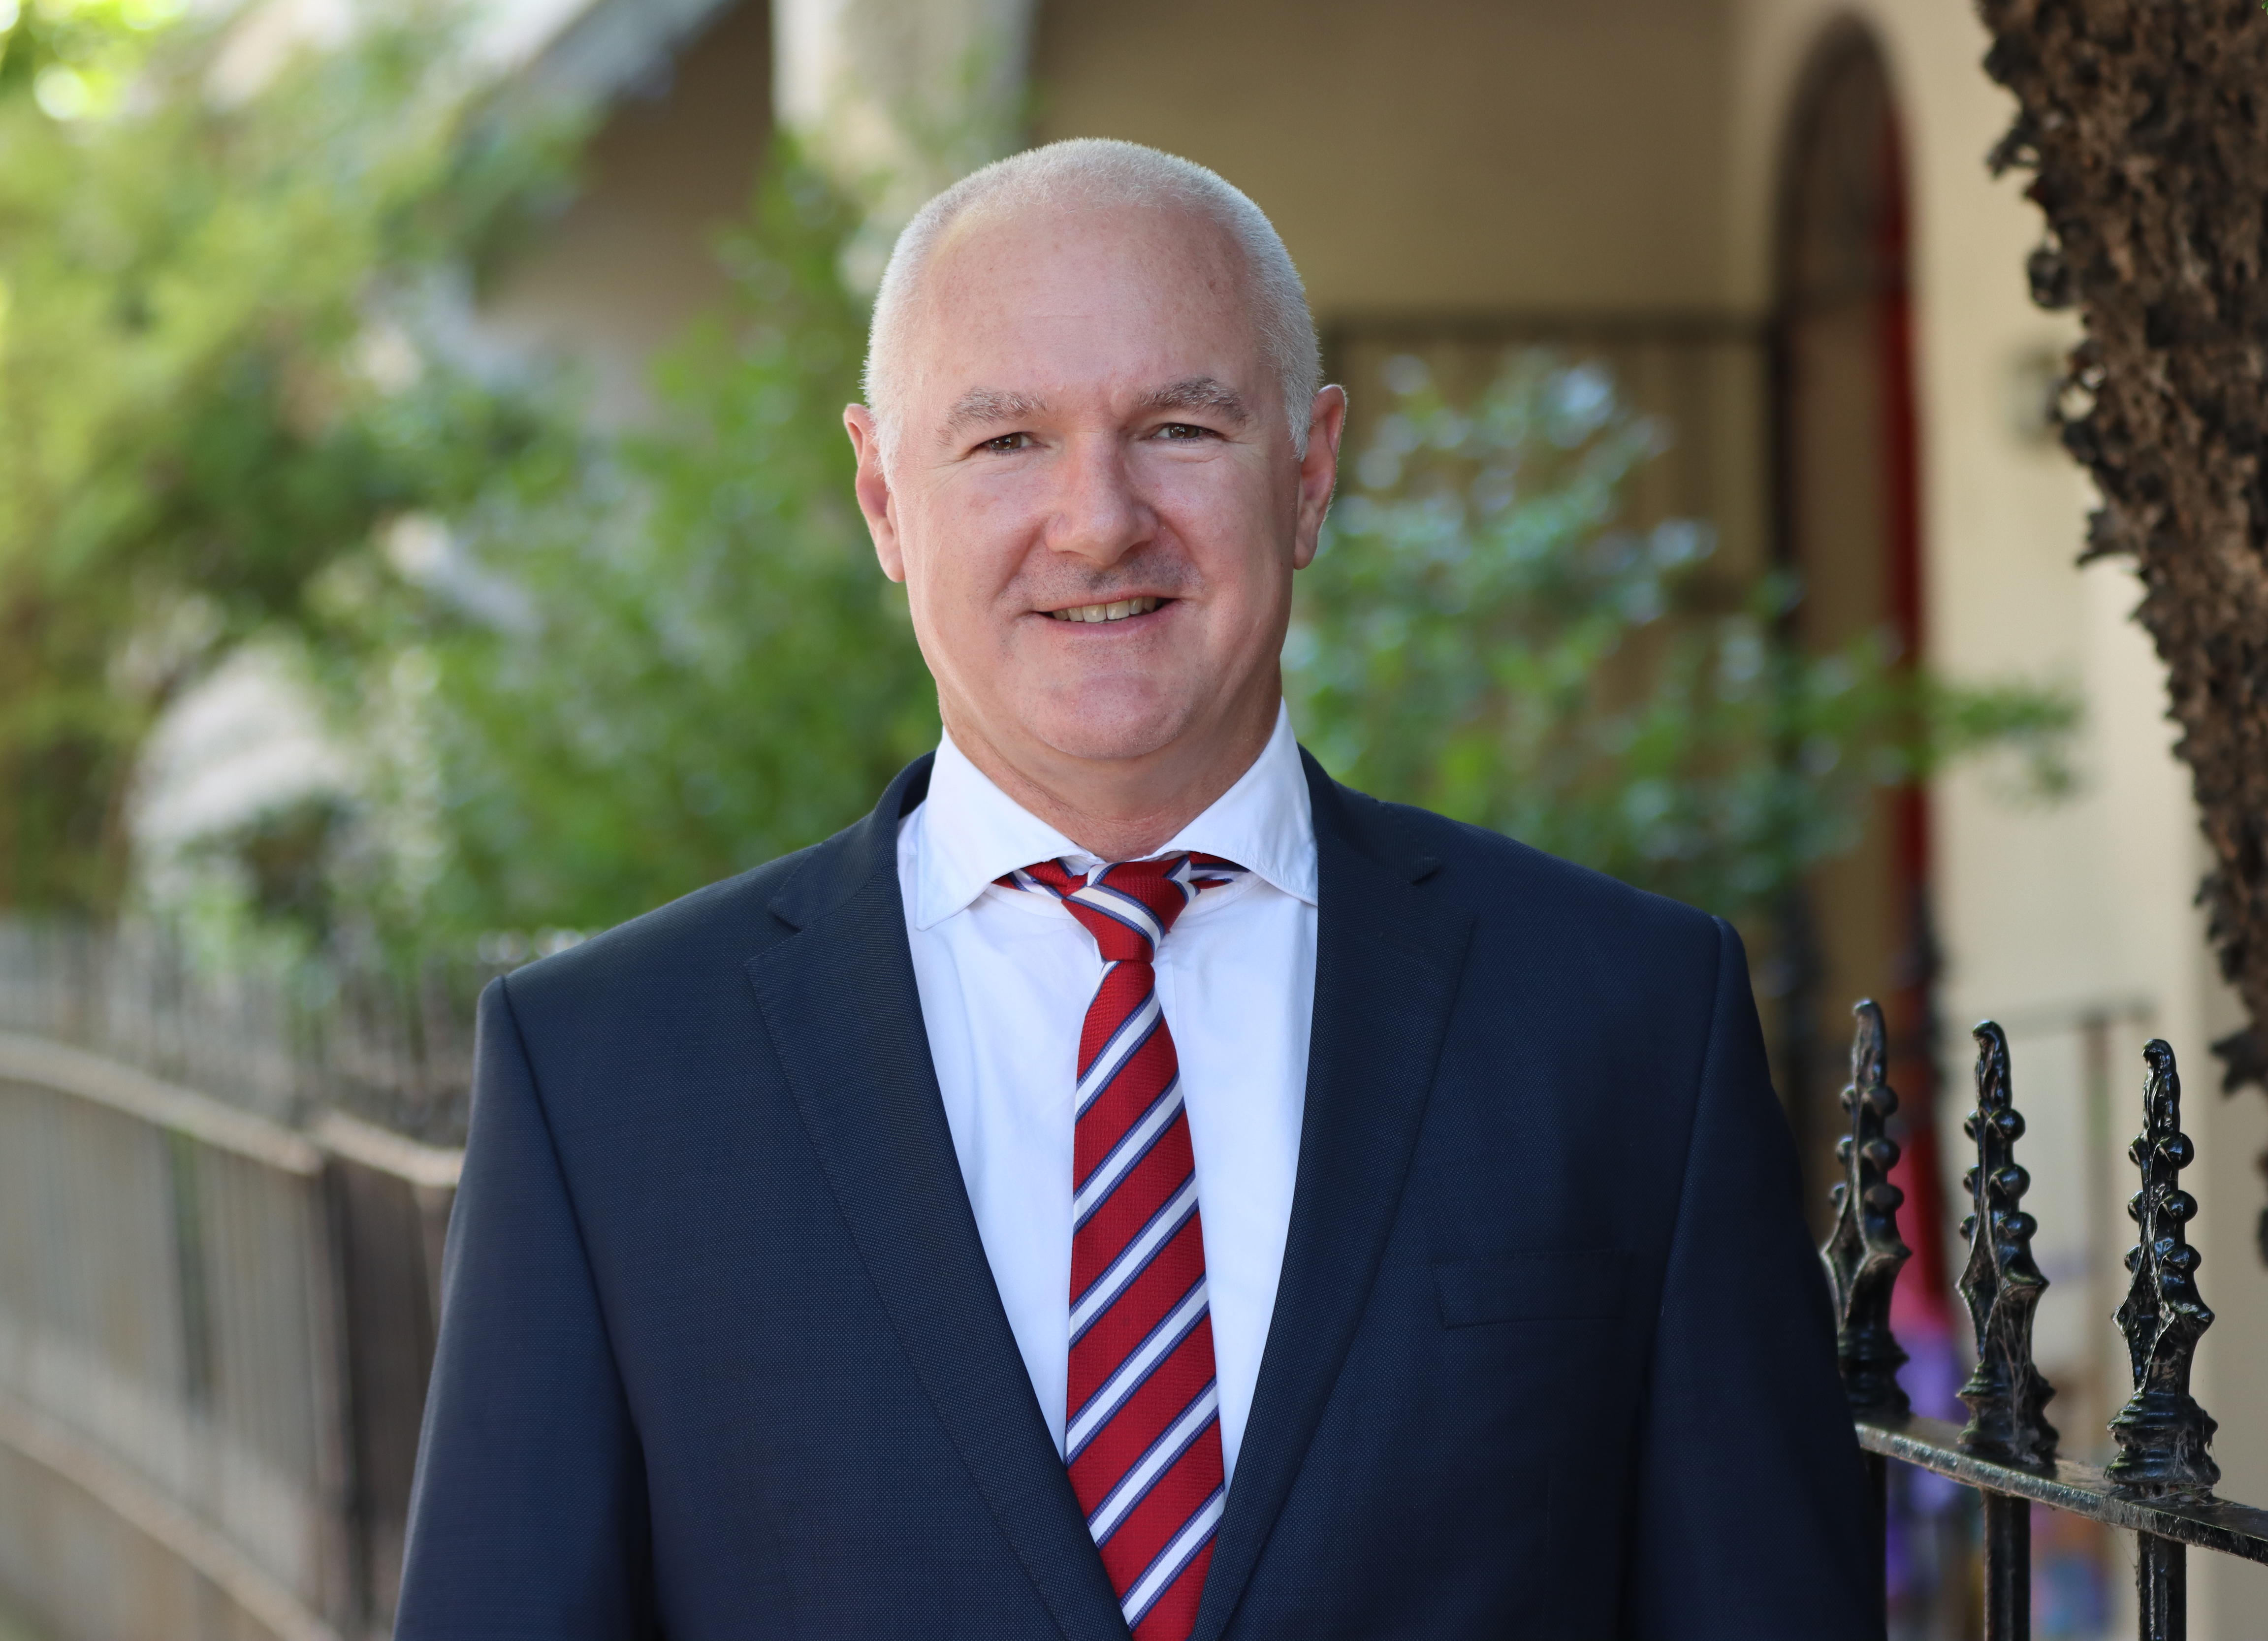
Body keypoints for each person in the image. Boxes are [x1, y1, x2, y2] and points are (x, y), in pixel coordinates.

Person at [395, 137, 1881, 1641]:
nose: (1099, 521)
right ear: (883, 501)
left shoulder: (1624, 1019)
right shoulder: (607, 1076)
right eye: (1006, 442)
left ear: (1309, 473)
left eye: (1179, 426)